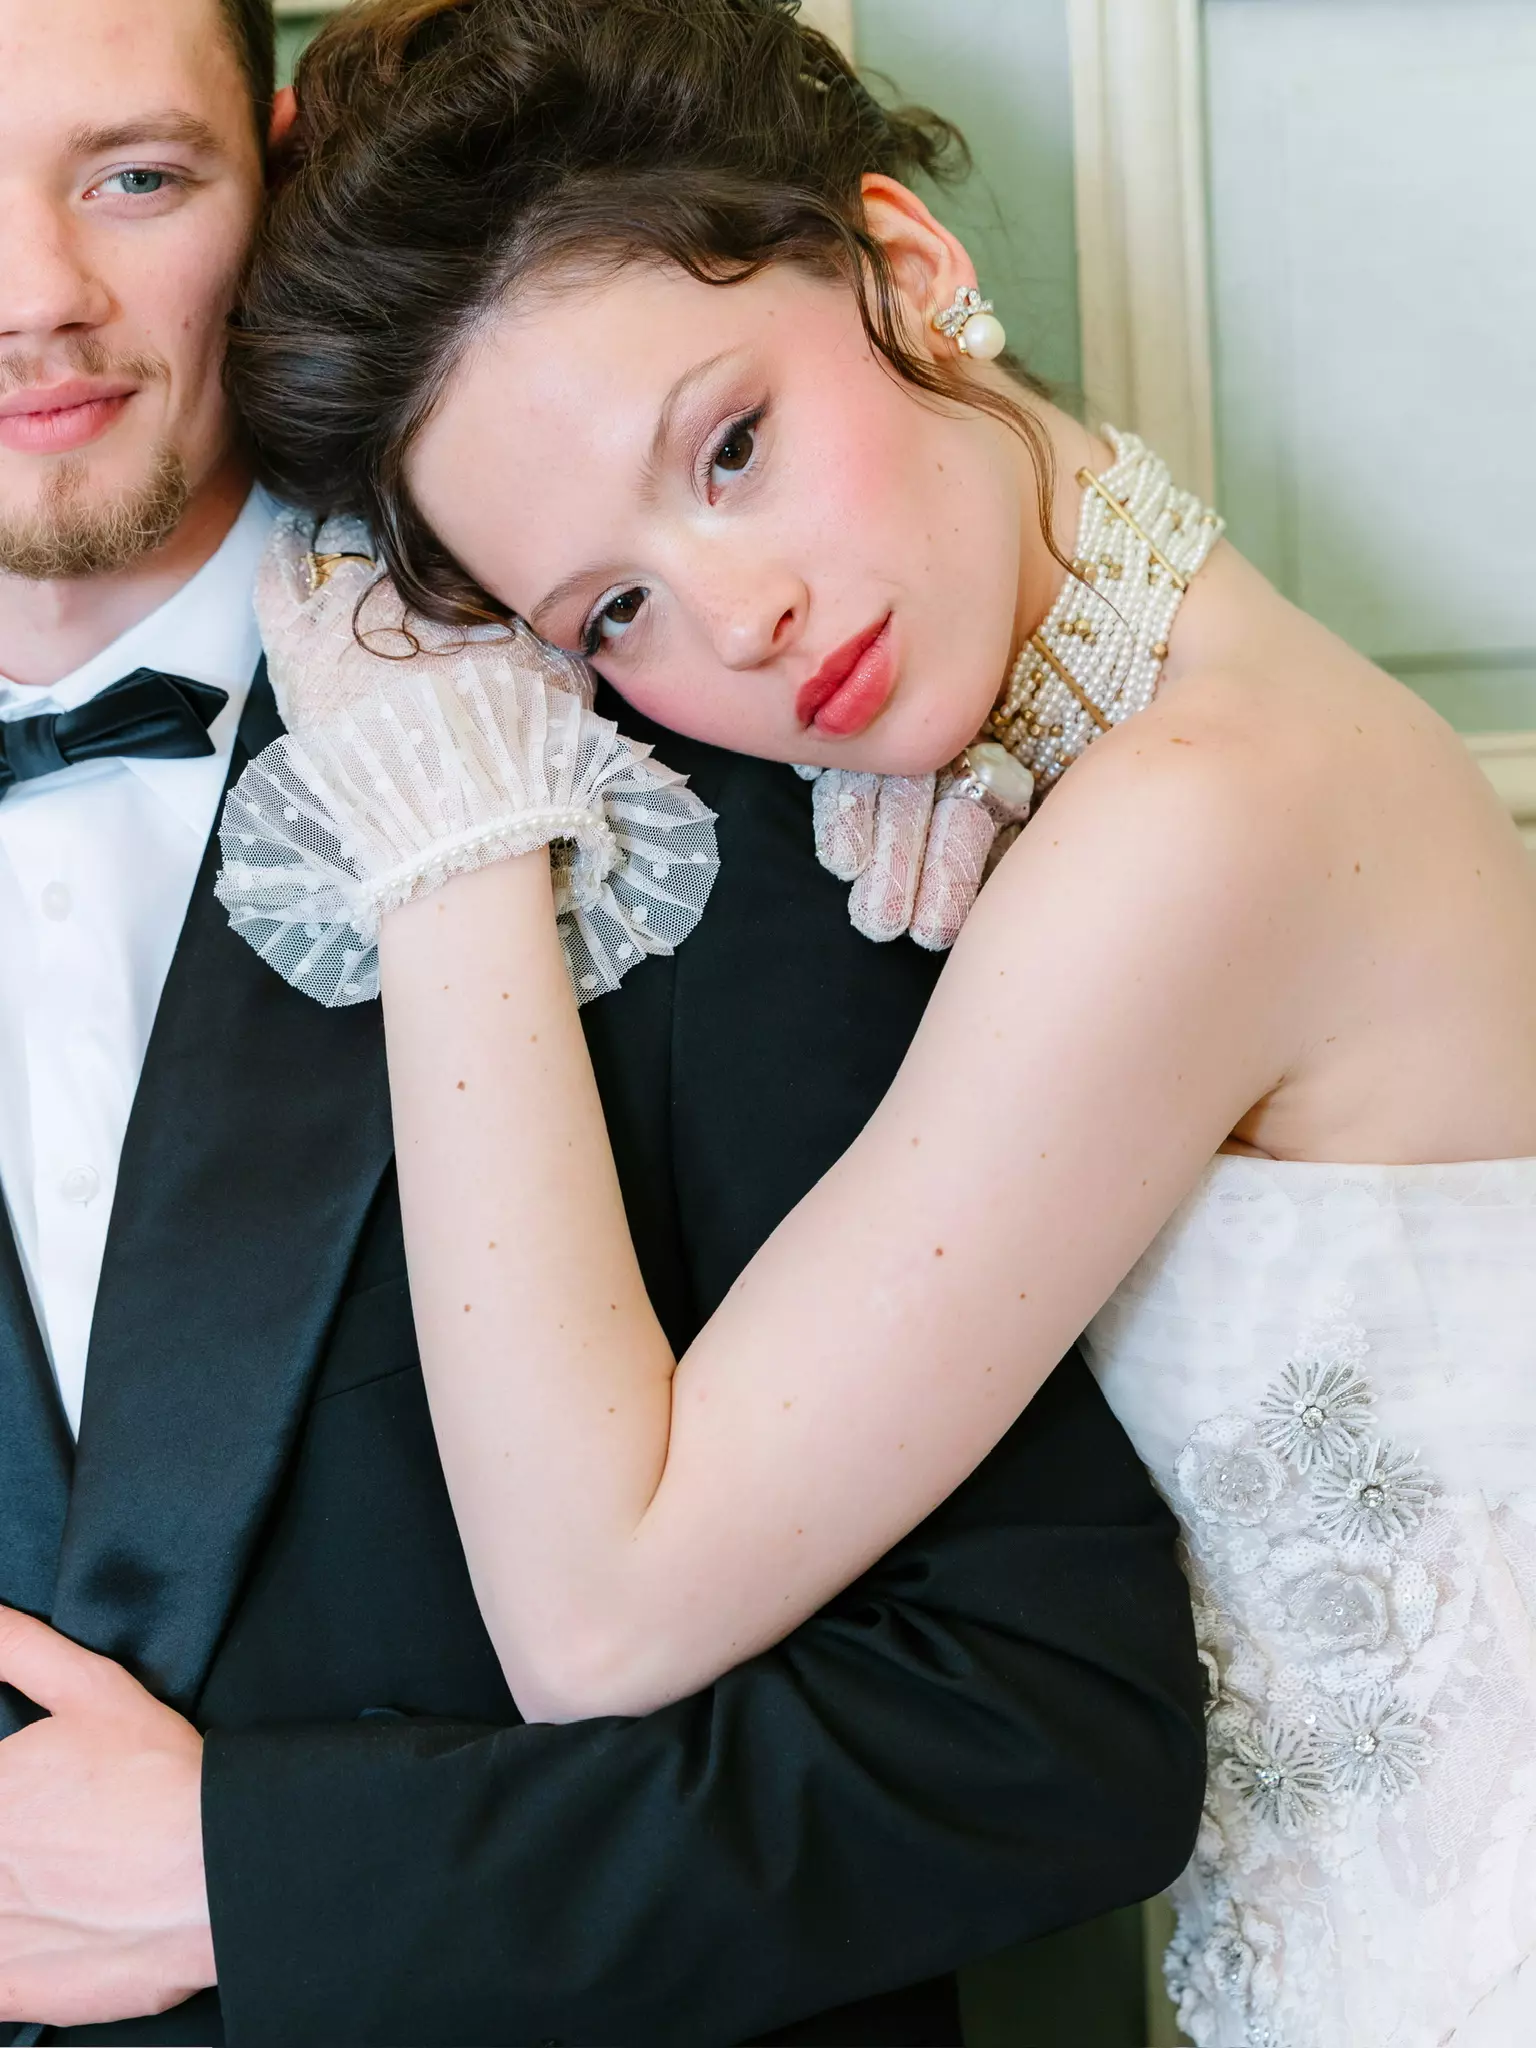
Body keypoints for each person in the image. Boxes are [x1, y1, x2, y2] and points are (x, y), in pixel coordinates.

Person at [224, 1, 1536, 2044]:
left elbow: (603, 1608)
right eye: (609, 619)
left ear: (909, 269)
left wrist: (453, 826)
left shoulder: (1199, 825)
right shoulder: (1163, 724)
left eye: (730, 447)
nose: (732, 615)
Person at [0, 0, 1206, 2041]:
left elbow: (1044, 1730)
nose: (38, 297)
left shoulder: (710, 741)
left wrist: (268, 1876)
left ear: (274, 167)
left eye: (135, 177)